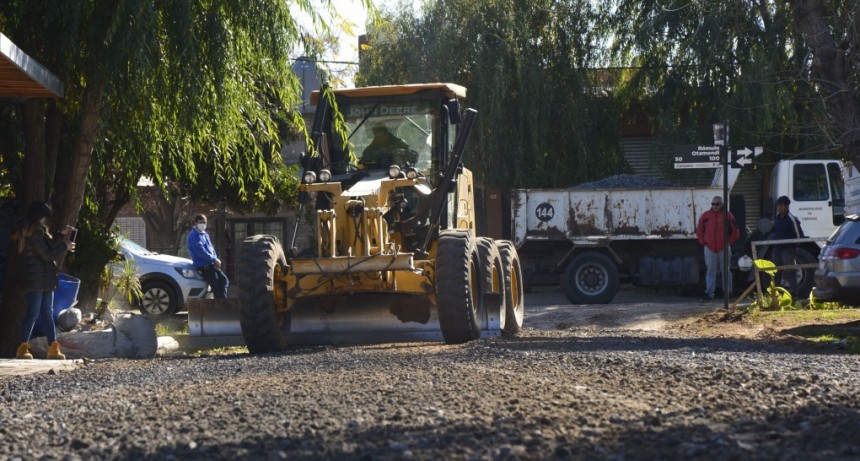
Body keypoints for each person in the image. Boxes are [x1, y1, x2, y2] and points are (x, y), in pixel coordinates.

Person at [16, 201, 75, 360]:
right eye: (45, 217)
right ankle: (23, 348)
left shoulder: (35, 230)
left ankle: (53, 347)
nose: (46, 220)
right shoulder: (34, 232)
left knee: (46, 313)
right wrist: (65, 246)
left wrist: (60, 236)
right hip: (35, 280)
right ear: (40, 216)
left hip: (44, 279)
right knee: (34, 313)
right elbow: (47, 254)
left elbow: (46, 248)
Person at [697, 196, 740, 301]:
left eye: (717, 204)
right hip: (709, 248)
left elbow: (735, 231)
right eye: (713, 204)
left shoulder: (728, 216)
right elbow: (699, 230)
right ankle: (709, 293)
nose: (715, 206)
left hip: (723, 248)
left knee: (726, 270)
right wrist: (703, 242)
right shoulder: (705, 216)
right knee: (710, 271)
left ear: (722, 204)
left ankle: (728, 292)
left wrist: (728, 242)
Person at [187, 214, 228, 298]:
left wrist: (215, 260)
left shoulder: (205, 234)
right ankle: (221, 304)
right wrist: (214, 259)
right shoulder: (194, 235)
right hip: (203, 265)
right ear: (195, 223)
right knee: (216, 285)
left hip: (211, 264)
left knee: (224, 280)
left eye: (204, 222)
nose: (203, 224)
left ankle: (222, 302)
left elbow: (211, 248)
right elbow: (201, 252)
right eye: (200, 222)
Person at [771, 195, 804, 296]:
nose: (779, 208)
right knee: (776, 271)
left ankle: (793, 292)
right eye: (778, 206)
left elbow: (799, 236)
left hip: (787, 249)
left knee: (789, 270)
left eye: (781, 206)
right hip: (777, 248)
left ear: (787, 206)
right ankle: (776, 293)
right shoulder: (777, 218)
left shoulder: (792, 219)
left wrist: (792, 248)